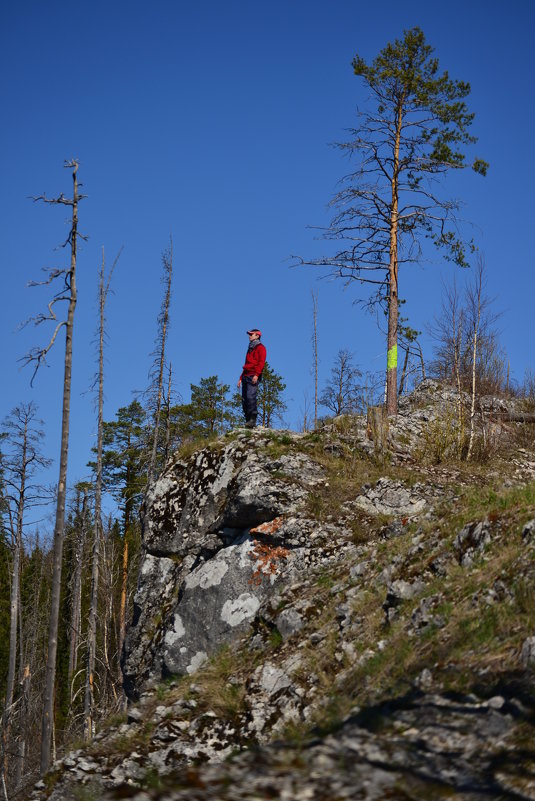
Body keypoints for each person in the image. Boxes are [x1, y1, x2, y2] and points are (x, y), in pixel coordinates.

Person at [238, 328, 266, 428]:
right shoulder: (250, 348)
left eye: (251, 334)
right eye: (249, 334)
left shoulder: (261, 348)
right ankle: (248, 421)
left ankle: (252, 420)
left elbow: (261, 362)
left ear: (257, 335)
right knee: (244, 399)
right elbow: (246, 364)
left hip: (253, 375)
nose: (249, 336)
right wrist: (241, 378)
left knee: (251, 396)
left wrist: (257, 375)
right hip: (246, 375)